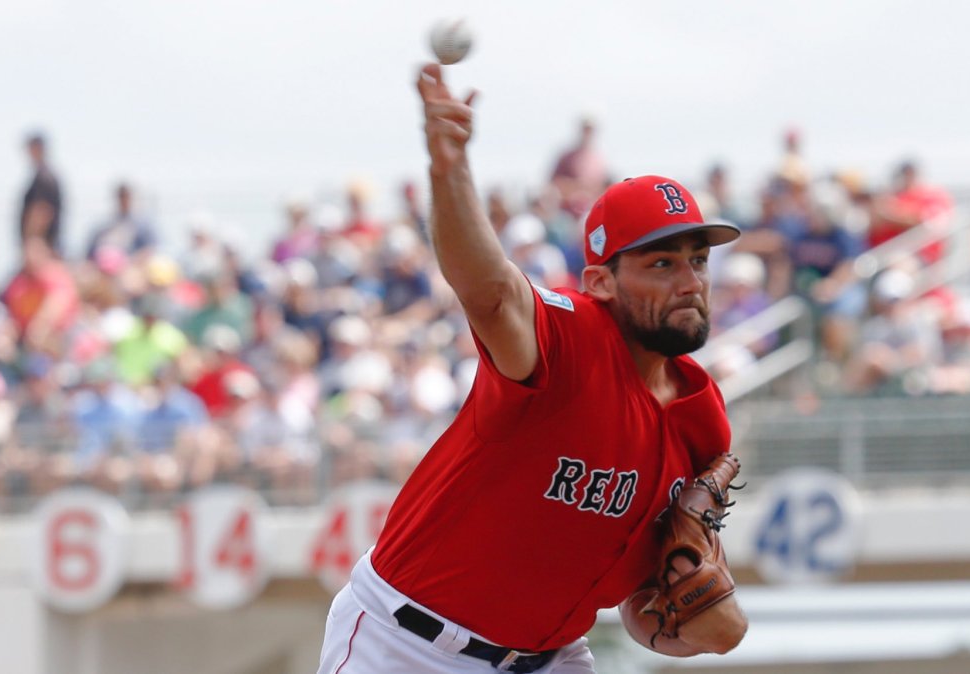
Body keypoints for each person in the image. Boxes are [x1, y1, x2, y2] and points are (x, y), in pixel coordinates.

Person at [316, 64, 747, 674]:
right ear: (599, 281)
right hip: (410, 645)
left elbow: (643, 599)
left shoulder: (702, 421)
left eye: (698, 260)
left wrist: (690, 612)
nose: (690, 282)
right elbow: (491, 293)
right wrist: (449, 169)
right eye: (660, 264)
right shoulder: (568, 339)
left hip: (552, 658)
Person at [19, 132, 63, 252]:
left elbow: (42, 211)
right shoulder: (45, 175)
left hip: (43, 247)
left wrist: (31, 242)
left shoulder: (44, 177)